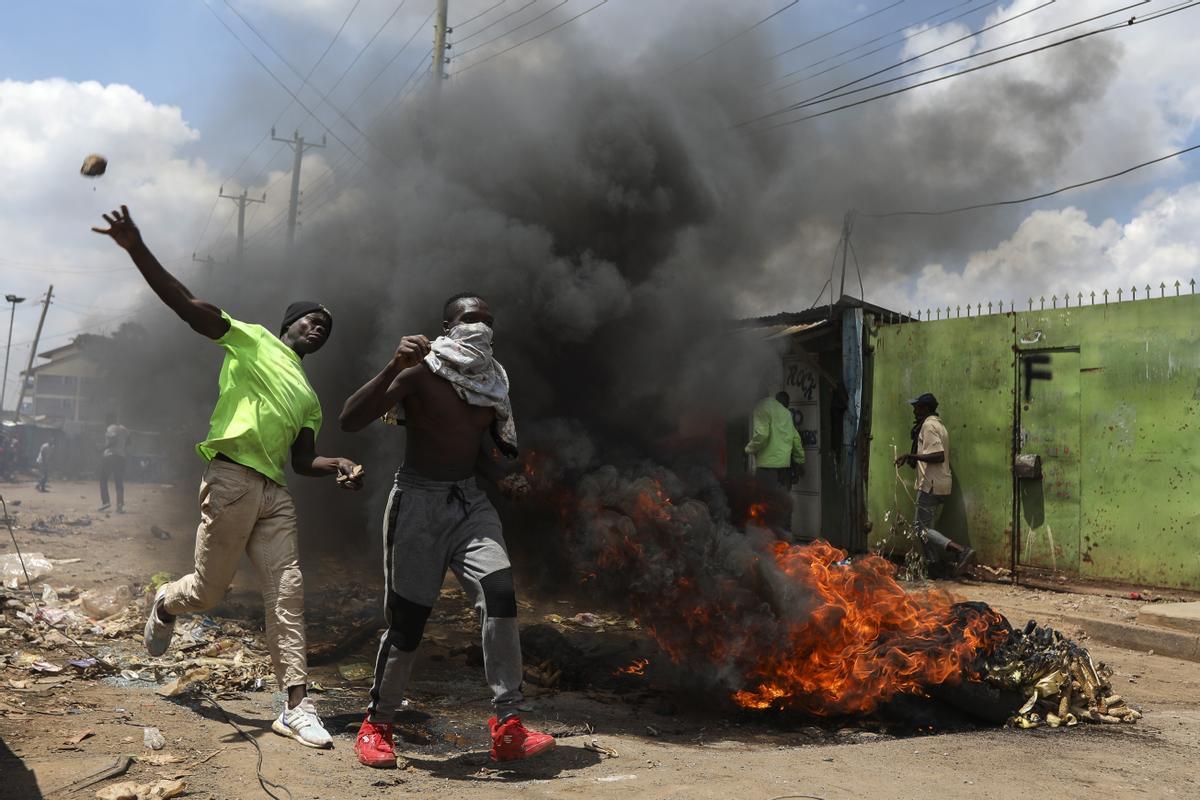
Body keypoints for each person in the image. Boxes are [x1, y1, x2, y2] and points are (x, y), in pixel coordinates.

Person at [93, 205, 364, 750]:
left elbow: (299, 460)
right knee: (208, 592)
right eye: (312, 318)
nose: (319, 328)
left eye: (327, 328)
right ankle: (167, 602)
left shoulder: (310, 397)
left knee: (287, 593)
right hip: (231, 481)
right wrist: (137, 248)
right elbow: (187, 306)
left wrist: (336, 465)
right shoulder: (253, 340)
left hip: (274, 495)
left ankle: (296, 705)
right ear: (289, 322)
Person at [340, 292, 554, 768]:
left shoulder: (492, 381)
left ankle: (508, 726)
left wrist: (502, 479)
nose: (481, 327)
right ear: (447, 326)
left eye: (489, 321)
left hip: (470, 504)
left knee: (499, 596)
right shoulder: (420, 373)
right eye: (471, 318)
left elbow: (474, 451)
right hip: (417, 504)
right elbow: (349, 419)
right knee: (409, 621)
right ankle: (377, 724)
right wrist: (391, 364)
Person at [894, 393, 974, 576]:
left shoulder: (929, 426)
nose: (915, 411)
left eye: (918, 407)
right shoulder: (937, 424)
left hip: (930, 484)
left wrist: (910, 456)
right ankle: (935, 567)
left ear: (927, 408)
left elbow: (938, 455)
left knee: (921, 528)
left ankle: (960, 550)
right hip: (937, 483)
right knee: (924, 529)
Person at [744, 391, 806, 537]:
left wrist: (748, 449)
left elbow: (762, 435)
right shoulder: (786, 413)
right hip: (783, 468)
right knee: (783, 501)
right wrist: (800, 460)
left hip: (767, 467)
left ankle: (767, 540)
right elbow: (796, 439)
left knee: (764, 503)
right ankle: (784, 538)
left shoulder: (761, 408)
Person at [99, 412, 130, 512]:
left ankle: (106, 502)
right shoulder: (124, 429)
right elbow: (129, 442)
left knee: (103, 479)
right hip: (121, 457)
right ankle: (119, 506)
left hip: (110, 456)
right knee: (119, 481)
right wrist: (121, 448)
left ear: (109, 419)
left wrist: (102, 448)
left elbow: (113, 441)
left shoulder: (110, 428)